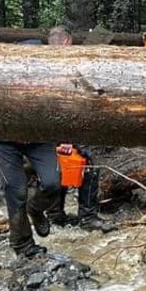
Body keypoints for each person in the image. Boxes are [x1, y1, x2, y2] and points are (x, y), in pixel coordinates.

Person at [40, 27, 115, 232]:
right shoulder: (65, 66)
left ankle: (55, 214)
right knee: (87, 165)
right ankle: (87, 217)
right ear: (67, 42)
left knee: (59, 167)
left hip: (43, 129)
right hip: (62, 128)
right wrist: (66, 137)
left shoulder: (40, 65)